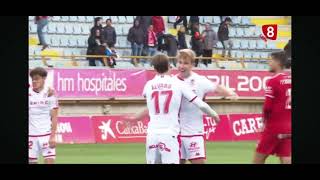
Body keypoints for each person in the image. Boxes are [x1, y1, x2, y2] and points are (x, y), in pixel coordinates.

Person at [124, 54, 220, 164]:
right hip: (169, 134)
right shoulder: (178, 84)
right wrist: (214, 115)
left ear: (154, 68)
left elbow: (150, 106)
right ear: (169, 66)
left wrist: (134, 118)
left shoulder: (148, 85)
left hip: (152, 134)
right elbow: (201, 104)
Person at [175, 49, 238, 164]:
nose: (181, 66)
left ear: (193, 64)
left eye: (185, 63)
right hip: (175, 132)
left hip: (194, 131)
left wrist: (230, 93)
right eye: (179, 62)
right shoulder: (173, 81)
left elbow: (217, 88)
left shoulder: (200, 80)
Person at [253, 51, 291, 164]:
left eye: (270, 60)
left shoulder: (273, 81)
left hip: (274, 127)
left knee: (258, 159)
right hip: (289, 127)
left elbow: (267, 107)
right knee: (286, 158)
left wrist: (264, 123)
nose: (268, 62)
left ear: (277, 62)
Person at [29, 67, 58, 164]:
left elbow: (54, 116)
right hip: (31, 136)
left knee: (49, 161)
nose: (34, 81)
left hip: (46, 135)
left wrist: (53, 136)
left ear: (44, 79)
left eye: (37, 78)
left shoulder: (50, 94)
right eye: (33, 79)